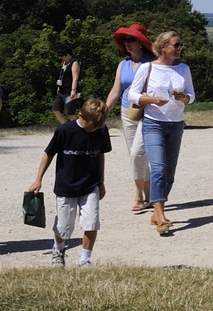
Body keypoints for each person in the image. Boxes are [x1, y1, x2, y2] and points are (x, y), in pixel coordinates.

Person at [28, 97, 113, 267]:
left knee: (91, 223)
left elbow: (100, 155)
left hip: (90, 185)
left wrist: (101, 182)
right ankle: (58, 250)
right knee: (64, 228)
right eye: (92, 125)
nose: (95, 129)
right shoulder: (65, 130)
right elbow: (48, 154)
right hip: (66, 185)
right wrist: (38, 180)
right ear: (81, 116)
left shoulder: (101, 130)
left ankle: (85, 260)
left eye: (98, 126)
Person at [127, 30, 195, 235]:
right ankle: (161, 215)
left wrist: (184, 97)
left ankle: (156, 213)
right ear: (163, 47)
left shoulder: (183, 69)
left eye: (180, 44)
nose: (180, 48)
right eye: (176, 45)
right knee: (158, 168)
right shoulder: (147, 68)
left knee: (169, 174)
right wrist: (151, 100)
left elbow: (192, 95)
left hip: (176, 124)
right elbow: (132, 94)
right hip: (153, 123)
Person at [105, 23, 155, 213]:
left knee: (137, 154)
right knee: (136, 156)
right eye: (125, 39)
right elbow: (116, 90)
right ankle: (149, 196)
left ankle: (138, 195)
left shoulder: (153, 63)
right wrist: (104, 110)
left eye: (131, 39)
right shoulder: (123, 64)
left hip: (147, 112)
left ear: (141, 42)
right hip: (127, 112)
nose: (127, 43)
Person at [52, 45, 82, 125]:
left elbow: (75, 78)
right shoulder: (63, 64)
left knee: (70, 112)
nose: (61, 57)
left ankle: (75, 127)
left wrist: (73, 90)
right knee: (56, 109)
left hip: (70, 91)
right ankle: (65, 125)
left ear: (68, 54)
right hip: (61, 91)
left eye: (62, 56)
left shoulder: (74, 63)